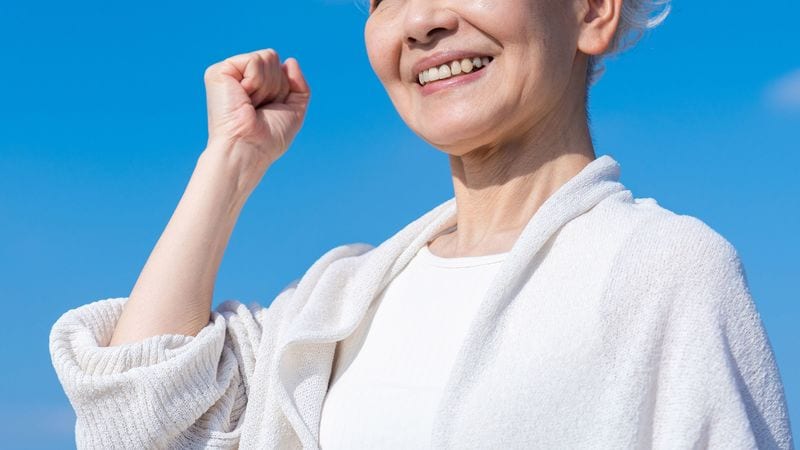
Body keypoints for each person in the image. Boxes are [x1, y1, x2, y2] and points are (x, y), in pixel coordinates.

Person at [49, 0, 794, 448]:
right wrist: (230, 162)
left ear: (593, 10)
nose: (421, 21)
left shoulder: (663, 268)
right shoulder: (339, 301)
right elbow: (136, 423)